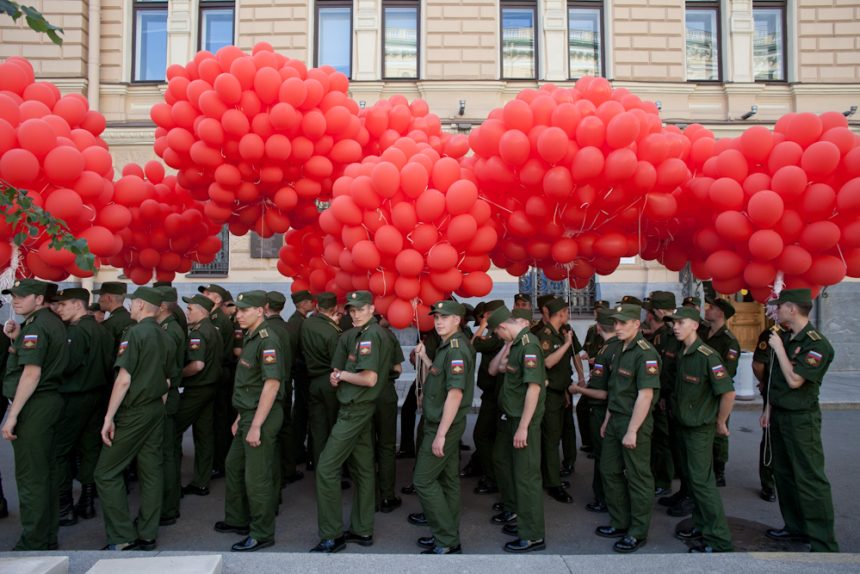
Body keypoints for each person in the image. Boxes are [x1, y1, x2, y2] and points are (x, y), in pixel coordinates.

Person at [310, 290, 394, 553]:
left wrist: (343, 376)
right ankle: (362, 529)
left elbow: (369, 378)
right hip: (357, 406)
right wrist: (339, 377)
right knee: (363, 469)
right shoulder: (357, 334)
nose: (355, 314)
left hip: (355, 408)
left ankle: (331, 535)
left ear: (371, 309)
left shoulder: (370, 335)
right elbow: (340, 371)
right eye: (352, 310)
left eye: (360, 309)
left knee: (326, 468)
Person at [94, 287, 172, 551]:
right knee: (151, 470)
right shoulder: (165, 334)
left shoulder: (135, 333)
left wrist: (109, 417)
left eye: (132, 303)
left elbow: (124, 378)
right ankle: (148, 533)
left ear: (139, 305)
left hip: (135, 410)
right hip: (154, 408)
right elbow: (168, 379)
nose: (130, 307)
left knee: (105, 472)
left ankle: (121, 535)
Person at [761, 288, 838, 552]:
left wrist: (780, 350)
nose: (775, 310)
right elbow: (776, 379)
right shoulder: (786, 336)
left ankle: (823, 542)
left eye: (780, 306)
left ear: (792, 308)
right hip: (780, 415)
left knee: (809, 478)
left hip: (801, 419)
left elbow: (795, 380)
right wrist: (768, 410)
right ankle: (796, 528)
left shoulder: (816, 344)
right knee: (784, 475)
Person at [215, 290, 287, 552]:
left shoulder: (268, 340)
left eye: (245, 310)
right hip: (247, 413)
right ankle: (238, 518)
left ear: (260, 310)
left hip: (262, 416)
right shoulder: (252, 336)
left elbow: (271, 384)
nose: (239, 314)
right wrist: (240, 417)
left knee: (257, 478)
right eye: (238, 310)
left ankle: (262, 532)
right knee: (234, 465)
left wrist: (255, 424)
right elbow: (250, 384)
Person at [2, 279, 68, 550]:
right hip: (50, 401)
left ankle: (34, 541)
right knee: (47, 473)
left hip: (36, 404)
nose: (16, 301)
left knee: (32, 476)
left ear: (39, 300)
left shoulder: (37, 327)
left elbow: (32, 372)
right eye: (14, 296)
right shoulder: (47, 323)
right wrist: (17, 338)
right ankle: (46, 535)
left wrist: (13, 415)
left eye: (22, 296)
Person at [668, 306, 735, 553]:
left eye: (680, 322)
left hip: (699, 429)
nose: (675, 326)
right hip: (683, 425)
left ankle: (719, 540)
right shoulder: (683, 351)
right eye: (673, 322)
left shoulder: (707, 356)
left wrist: (720, 421)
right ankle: (701, 524)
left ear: (695, 325)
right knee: (693, 481)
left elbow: (728, 392)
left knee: (703, 483)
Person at [410, 300, 475, 554]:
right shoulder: (447, 347)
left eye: (444, 317)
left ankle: (446, 538)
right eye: (436, 316)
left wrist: (440, 434)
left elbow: (455, 394)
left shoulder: (456, 349)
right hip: (442, 423)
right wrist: (425, 356)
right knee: (448, 480)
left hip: (443, 424)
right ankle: (448, 533)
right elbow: (438, 373)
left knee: (423, 480)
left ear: (457, 320)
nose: (438, 321)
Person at [596, 303, 660, 554]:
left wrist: (632, 430)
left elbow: (645, 395)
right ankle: (620, 521)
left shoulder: (645, 353)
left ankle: (637, 531)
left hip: (635, 420)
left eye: (623, 323)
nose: (617, 326)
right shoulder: (620, 348)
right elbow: (616, 389)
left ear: (637, 323)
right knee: (609, 470)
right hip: (615, 418)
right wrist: (607, 418)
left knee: (637, 476)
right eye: (616, 322)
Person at [488, 306, 547, 553]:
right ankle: (523, 520)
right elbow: (496, 369)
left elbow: (534, 388)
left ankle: (533, 535)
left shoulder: (529, 346)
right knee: (508, 466)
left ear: (503, 327)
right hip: (511, 418)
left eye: (498, 335)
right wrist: (506, 346)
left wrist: (523, 426)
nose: (499, 338)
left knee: (526, 479)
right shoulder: (518, 344)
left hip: (524, 422)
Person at [52, 288, 113, 527]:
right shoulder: (103, 331)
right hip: (97, 395)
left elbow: (68, 365)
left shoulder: (76, 332)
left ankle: (64, 506)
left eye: (63, 304)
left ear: (78, 305)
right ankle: (87, 501)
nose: (59, 309)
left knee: (60, 452)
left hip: (74, 396)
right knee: (90, 449)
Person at [173, 294, 223, 507]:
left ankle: (171, 485)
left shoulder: (199, 333)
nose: (187, 312)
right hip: (211, 388)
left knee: (172, 430)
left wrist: (176, 375)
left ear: (202, 311)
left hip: (197, 389)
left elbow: (197, 365)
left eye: (190, 308)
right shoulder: (214, 330)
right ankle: (201, 481)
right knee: (204, 435)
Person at [570, 307, 620, 514]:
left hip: (602, 411)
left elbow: (603, 392)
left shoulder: (607, 351)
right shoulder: (618, 347)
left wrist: (578, 389)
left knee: (604, 459)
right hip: (610, 411)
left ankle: (604, 498)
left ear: (598, 327)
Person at [535, 297, 578, 504]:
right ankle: (552, 483)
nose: (568, 315)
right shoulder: (546, 335)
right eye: (566, 312)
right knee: (551, 440)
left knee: (554, 437)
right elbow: (548, 363)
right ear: (560, 313)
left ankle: (550, 475)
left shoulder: (559, 334)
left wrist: (565, 391)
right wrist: (567, 344)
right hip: (549, 395)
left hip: (559, 393)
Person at [643, 291, 681, 502]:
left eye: (651, 310)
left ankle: (665, 481)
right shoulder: (659, 335)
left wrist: (665, 396)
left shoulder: (671, 335)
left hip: (669, 398)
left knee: (664, 440)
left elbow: (670, 371)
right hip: (660, 396)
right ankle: (659, 476)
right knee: (658, 438)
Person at [200, 284, 239, 479]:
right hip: (218, 372)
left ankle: (221, 461)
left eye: (207, 294)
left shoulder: (219, 320)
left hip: (221, 372)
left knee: (221, 421)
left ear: (216, 300)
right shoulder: (213, 319)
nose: (203, 296)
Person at [301, 292, 343, 470]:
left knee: (318, 429)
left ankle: (320, 468)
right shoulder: (333, 331)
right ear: (334, 309)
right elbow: (338, 363)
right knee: (335, 428)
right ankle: (333, 472)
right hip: (330, 382)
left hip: (313, 381)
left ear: (317, 307)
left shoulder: (307, 323)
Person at [155, 287, 186, 527]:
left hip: (166, 396)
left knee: (166, 453)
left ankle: (168, 506)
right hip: (166, 394)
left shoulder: (170, 331)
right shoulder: (166, 328)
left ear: (163, 306)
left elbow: (167, 369)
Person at [467, 299, 505, 495]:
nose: (483, 319)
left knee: (482, 435)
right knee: (489, 436)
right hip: (491, 393)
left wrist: (482, 327)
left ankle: (492, 477)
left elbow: (471, 346)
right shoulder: (495, 332)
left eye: (485, 316)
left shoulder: (496, 333)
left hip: (494, 394)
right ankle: (487, 472)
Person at [702, 298, 740, 487]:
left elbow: (728, 372)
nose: (707, 310)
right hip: (700, 391)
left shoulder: (729, 341)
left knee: (719, 431)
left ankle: (719, 469)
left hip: (717, 392)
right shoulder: (702, 332)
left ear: (721, 314)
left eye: (712, 308)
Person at [264, 291, 299, 497]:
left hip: (273, 386)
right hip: (286, 383)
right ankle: (288, 468)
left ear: (266, 306)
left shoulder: (268, 330)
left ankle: (277, 475)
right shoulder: (287, 328)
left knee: (272, 433)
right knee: (285, 426)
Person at [374, 315, 404, 512]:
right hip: (385, 392)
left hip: (361, 395)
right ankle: (386, 496)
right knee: (386, 446)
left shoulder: (350, 336)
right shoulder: (388, 336)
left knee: (364, 447)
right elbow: (398, 368)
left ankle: (367, 496)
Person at [287, 290, 314, 474]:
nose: (312, 303)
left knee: (301, 412)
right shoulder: (297, 322)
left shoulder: (299, 320)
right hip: (302, 373)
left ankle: (297, 449)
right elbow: (294, 349)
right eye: (309, 301)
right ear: (303, 304)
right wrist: (303, 365)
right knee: (305, 411)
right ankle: (299, 451)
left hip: (302, 372)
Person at [752, 325, 777, 502]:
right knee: (770, 439)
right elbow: (758, 364)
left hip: (793, 399)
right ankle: (768, 484)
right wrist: (764, 383)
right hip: (772, 394)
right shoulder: (770, 334)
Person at [95, 282, 134, 351]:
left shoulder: (109, 324)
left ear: (109, 298)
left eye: (101, 296)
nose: (98, 300)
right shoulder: (132, 319)